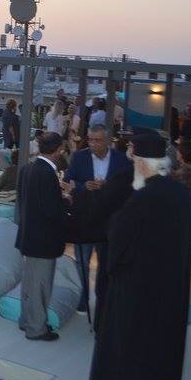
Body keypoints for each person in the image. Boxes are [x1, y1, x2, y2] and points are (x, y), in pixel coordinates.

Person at [86, 132, 191, 380]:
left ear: (144, 164)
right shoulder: (181, 194)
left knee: (130, 356)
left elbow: (119, 242)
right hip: (170, 291)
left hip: (137, 293)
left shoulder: (143, 198)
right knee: (160, 354)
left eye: (136, 162)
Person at [63, 124, 129, 315]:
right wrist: (84, 186)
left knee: (106, 263)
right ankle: (82, 299)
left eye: (97, 140)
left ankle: (104, 300)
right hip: (84, 218)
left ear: (108, 141)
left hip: (109, 221)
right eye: (90, 139)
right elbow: (68, 181)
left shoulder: (121, 160)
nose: (92, 144)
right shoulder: (79, 157)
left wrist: (108, 186)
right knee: (81, 261)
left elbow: (126, 187)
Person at [15, 131, 71, 342]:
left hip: (28, 236)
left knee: (29, 283)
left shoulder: (27, 169)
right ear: (58, 150)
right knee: (40, 285)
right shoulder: (47, 174)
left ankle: (26, 320)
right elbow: (51, 210)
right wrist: (66, 201)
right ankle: (36, 328)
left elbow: (24, 202)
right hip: (44, 239)